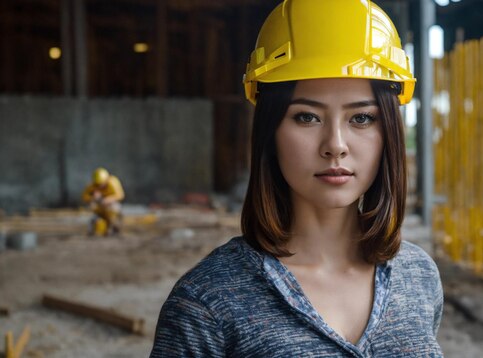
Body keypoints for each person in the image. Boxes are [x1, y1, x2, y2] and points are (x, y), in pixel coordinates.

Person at [151, 0, 443, 356]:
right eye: (307, 117)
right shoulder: (207, 303)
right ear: (270, 130)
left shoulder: (418, 276)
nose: (335, 146)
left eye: (361, 118)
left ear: (390, 134)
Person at [82, 167, 125, 236]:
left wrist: (108, 199)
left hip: (111, 205)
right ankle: (97, 225)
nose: (99, 186)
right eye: (97, 184)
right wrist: (93, 197)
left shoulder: (112, 182)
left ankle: (114, 227)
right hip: (99, 205)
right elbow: (84, 197)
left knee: (114, 209)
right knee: (92, 206)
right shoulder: (93, 185)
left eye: (101, 184)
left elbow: (120, 195)